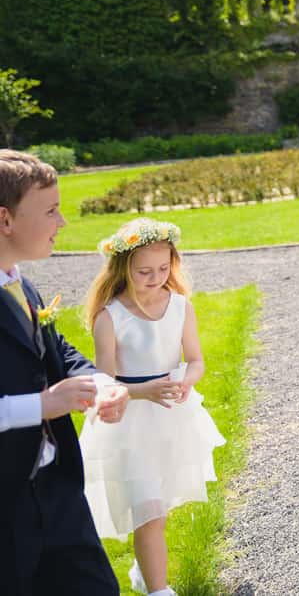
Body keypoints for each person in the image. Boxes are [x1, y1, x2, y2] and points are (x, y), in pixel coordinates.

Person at [0, 149, 128, 596]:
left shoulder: (22, 284)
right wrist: (43, 405)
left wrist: (102, 383)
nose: (63, 222)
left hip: (56, 492)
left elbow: (57, 350)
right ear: (5, 220)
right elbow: (42, 396)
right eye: (51, 210)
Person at [79, 217, 226, 596]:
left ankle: (145, 573)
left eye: (163, 268)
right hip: (129, 420)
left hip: (171, 416)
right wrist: (145, 391)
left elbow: (195, 360)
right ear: (122, 267)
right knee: (149, 511)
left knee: (160, 503)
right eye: (144, 271)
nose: (155, 277)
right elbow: (106, 381)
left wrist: (186, 381)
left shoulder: (180, 306)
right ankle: (159, 590)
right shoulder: (110, 316)